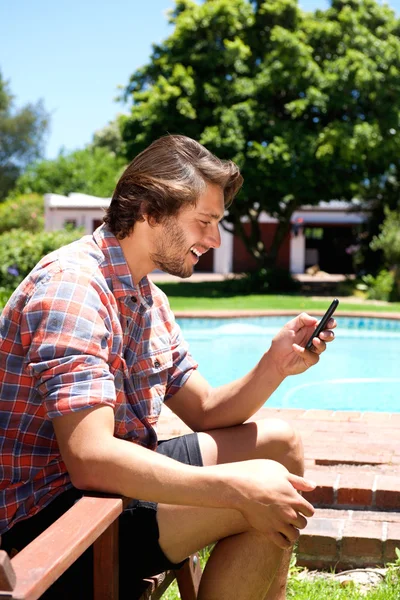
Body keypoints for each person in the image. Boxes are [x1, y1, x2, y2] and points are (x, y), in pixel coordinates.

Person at [0, 135, 336, 600]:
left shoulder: (147, 298)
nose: (215, 239)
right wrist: (230, 489)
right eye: (205, 221)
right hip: (51, 523)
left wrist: (274, 365)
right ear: (149, 210)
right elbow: (90, 459)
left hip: (112, 490)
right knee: (262, 499)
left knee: (280, 445)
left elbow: (207, 409)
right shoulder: (72, 290)